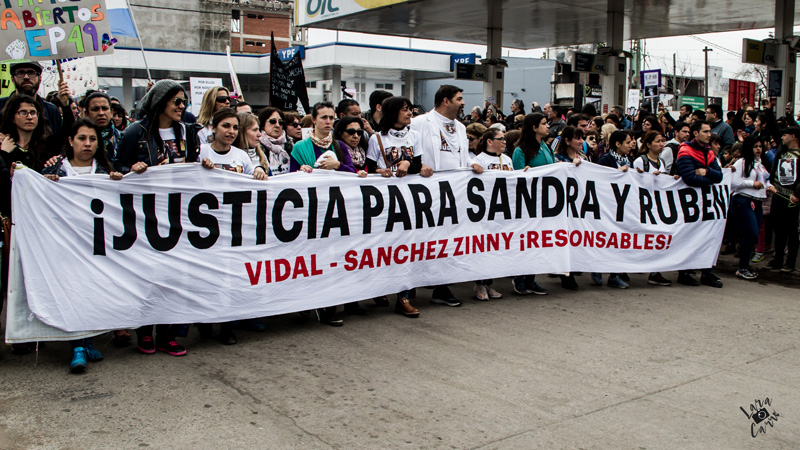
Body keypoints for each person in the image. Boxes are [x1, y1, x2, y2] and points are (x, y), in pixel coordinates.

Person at [115, 80, 202, 356]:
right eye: (176, 101)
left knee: (177, 275)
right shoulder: (134, 132)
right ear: (159, 101)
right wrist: (132, 168)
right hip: (147, 215)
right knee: (148, 274)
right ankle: (144, 331)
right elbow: (116, 167)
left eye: (184, 101)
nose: (181, 106)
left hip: (179, 214)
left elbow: (194, 164)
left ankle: (168, 333)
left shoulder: (188, 132)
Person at [39, 119, 123, 371]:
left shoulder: (107, 169)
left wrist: (120, 180)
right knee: (73, 292)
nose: (87, 144)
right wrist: (45, 182)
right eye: (82, 138)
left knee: (91, 293)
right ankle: (76, 345)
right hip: (66, 244)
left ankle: (86, 341)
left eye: (93, 139)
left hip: (98, 244)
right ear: (70, 141)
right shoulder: (57, 169)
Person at [411, 85, 482, 307]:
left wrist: (472, 162)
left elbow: (461, 154)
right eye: (459, 99)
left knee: (447, 240)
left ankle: (442, 287)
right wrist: (419, 164)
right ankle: (409, 289)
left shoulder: (461, 127)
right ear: (445, 101)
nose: (463, 103)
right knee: (421, 238)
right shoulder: (421, 122)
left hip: (454, 193)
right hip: (426, 191)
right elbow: (408, 149)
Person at [364, 96, 430, 317]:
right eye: (405, 109)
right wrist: (380, 172)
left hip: (410, 199)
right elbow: (370, 168)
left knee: (407, 247)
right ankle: (380, 287)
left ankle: (404, 297)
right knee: (384, 247)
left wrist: (408, 162)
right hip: (385, 200)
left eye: (410, 109)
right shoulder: (377, 139)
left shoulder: (415, 135)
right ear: (393, 112)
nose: (410, 113)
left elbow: (418, 164)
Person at [674, 120, 724, 288]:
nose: (709, 134)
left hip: (706, 203)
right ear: (696, 133)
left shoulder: (708, 151)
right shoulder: (685, 151)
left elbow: (719, 176)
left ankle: (707, 272)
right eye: (706, 132)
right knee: (689, 237)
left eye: (710, 131)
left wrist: (706, 171)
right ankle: (684, 272)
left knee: (709, 237)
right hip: (688, 204)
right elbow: (689, 178)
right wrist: (710, 178)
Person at [510, 113, 554, 295]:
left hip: (544, 201)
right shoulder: (520, 150)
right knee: (525, 242)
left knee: (537, 243)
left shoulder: (546, 147)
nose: (547, 126)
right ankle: (519, 277)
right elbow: (516, 177)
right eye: (544, 124)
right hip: (528, 203)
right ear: (534, 127)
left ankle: (531, 279)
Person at [468, 128, 512, 300]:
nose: (504, 142)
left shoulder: (507, 159)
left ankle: (489, 283)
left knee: (496, 248)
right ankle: (480, 284)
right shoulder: (479, 160)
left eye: (505, 140)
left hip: (504, 211)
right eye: (500, 139)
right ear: (489, 141)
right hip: (485, 211)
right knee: (483, 248)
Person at [633, 131, 675, 286]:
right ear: (648, 144)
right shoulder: (640, 161)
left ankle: (655, 272)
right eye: (658, 141)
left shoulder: (661, 162)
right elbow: (634, 182)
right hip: (643, 205)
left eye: (662, 141)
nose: (661, 144)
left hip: (657, 205)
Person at [594, 131, 633, 289]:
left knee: (619, 241)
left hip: (623, 206)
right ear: (618, 144)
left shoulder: (628, 160)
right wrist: (617, 174)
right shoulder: (606, 160)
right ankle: (596, 267)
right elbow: (600, 179)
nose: (631, 144)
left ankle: (614, 275)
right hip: (607, 206)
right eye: (628, 141)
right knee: (604, 239)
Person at [731, 136, 770, 280]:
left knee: (751, 234)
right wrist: (751, 183)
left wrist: (769, 186)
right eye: (755, 146)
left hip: (758, 201)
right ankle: (743, 267)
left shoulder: (762, 163)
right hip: (743, 200)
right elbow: (734, 183)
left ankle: (744, 265)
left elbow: (765, 180)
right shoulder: (742, 162)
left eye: (760, 146)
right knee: (752, 233)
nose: (759, 149)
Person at [766, 126, 800, 273]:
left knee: (792, 231)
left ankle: (790, 263)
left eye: (785, 135)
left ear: (793, 136)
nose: (781, 138)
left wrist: (798, 195)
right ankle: (777, 259)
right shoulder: (782, 152)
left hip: (792, 199)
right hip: (778, 195)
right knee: (778, 230)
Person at [0, 61, 64, 135]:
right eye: (20, 73)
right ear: (12, 79)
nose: (26, 77)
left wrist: (66, 106)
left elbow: (62, 140)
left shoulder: (51, 111)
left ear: (40, 79)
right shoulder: (1, 106)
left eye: (31, 72)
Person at [81, 91, 120, 165]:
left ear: (111, 112)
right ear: (86, 114)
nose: (101, 113)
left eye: (105, 108)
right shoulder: (80, 141)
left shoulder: (122, 137)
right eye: (95, 109)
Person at [257, 107, 293, 175]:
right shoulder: (256, 146)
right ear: (262, 124)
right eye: (272, 121)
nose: (277, 125)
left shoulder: (290, 145)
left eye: (280, 122)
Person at [235, 111, 269, 175]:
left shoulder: (262, 156)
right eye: (254, 130)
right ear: (242, 132)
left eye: (258, 130)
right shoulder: (232, 155)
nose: (259, 134)